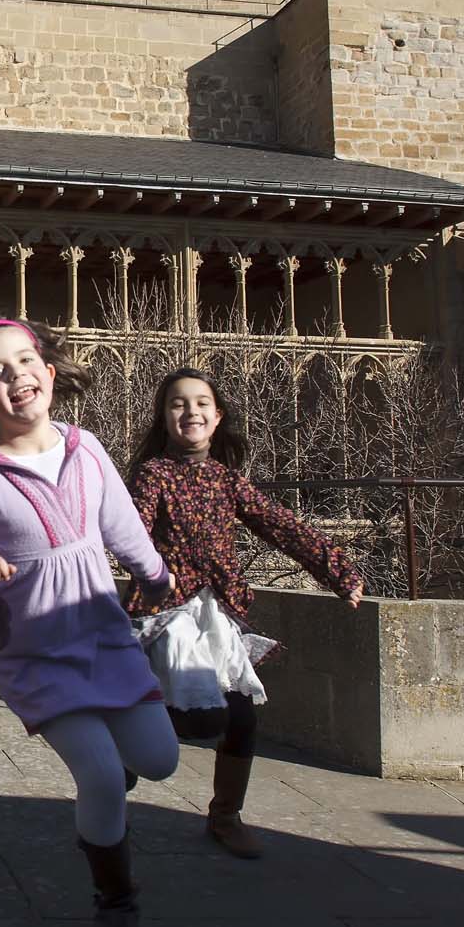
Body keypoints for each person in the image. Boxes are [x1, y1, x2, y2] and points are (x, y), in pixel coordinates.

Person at [0, 318, 176, 927]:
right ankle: (116, 903)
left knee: (161, 760)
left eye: (25, 361)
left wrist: (159, 577)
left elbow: (122, 527)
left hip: (106, 640)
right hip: (35, 655)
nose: (16, 376)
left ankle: (113, 780)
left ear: (50, 375)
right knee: (100, 778)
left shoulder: (87, 450)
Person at [126, 366, 364, 859]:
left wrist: (336, 570)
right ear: (163, 417)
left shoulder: (228, 480)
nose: (190, 411)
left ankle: (225, 815)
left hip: (218, 612)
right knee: (197, 719)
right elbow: (131, 529)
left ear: (217, 417)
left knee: (240, 718)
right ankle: (126, 745)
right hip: (170, 613)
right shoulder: (154, 474)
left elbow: (282, 525)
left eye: (200, 403)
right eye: (177, 403)